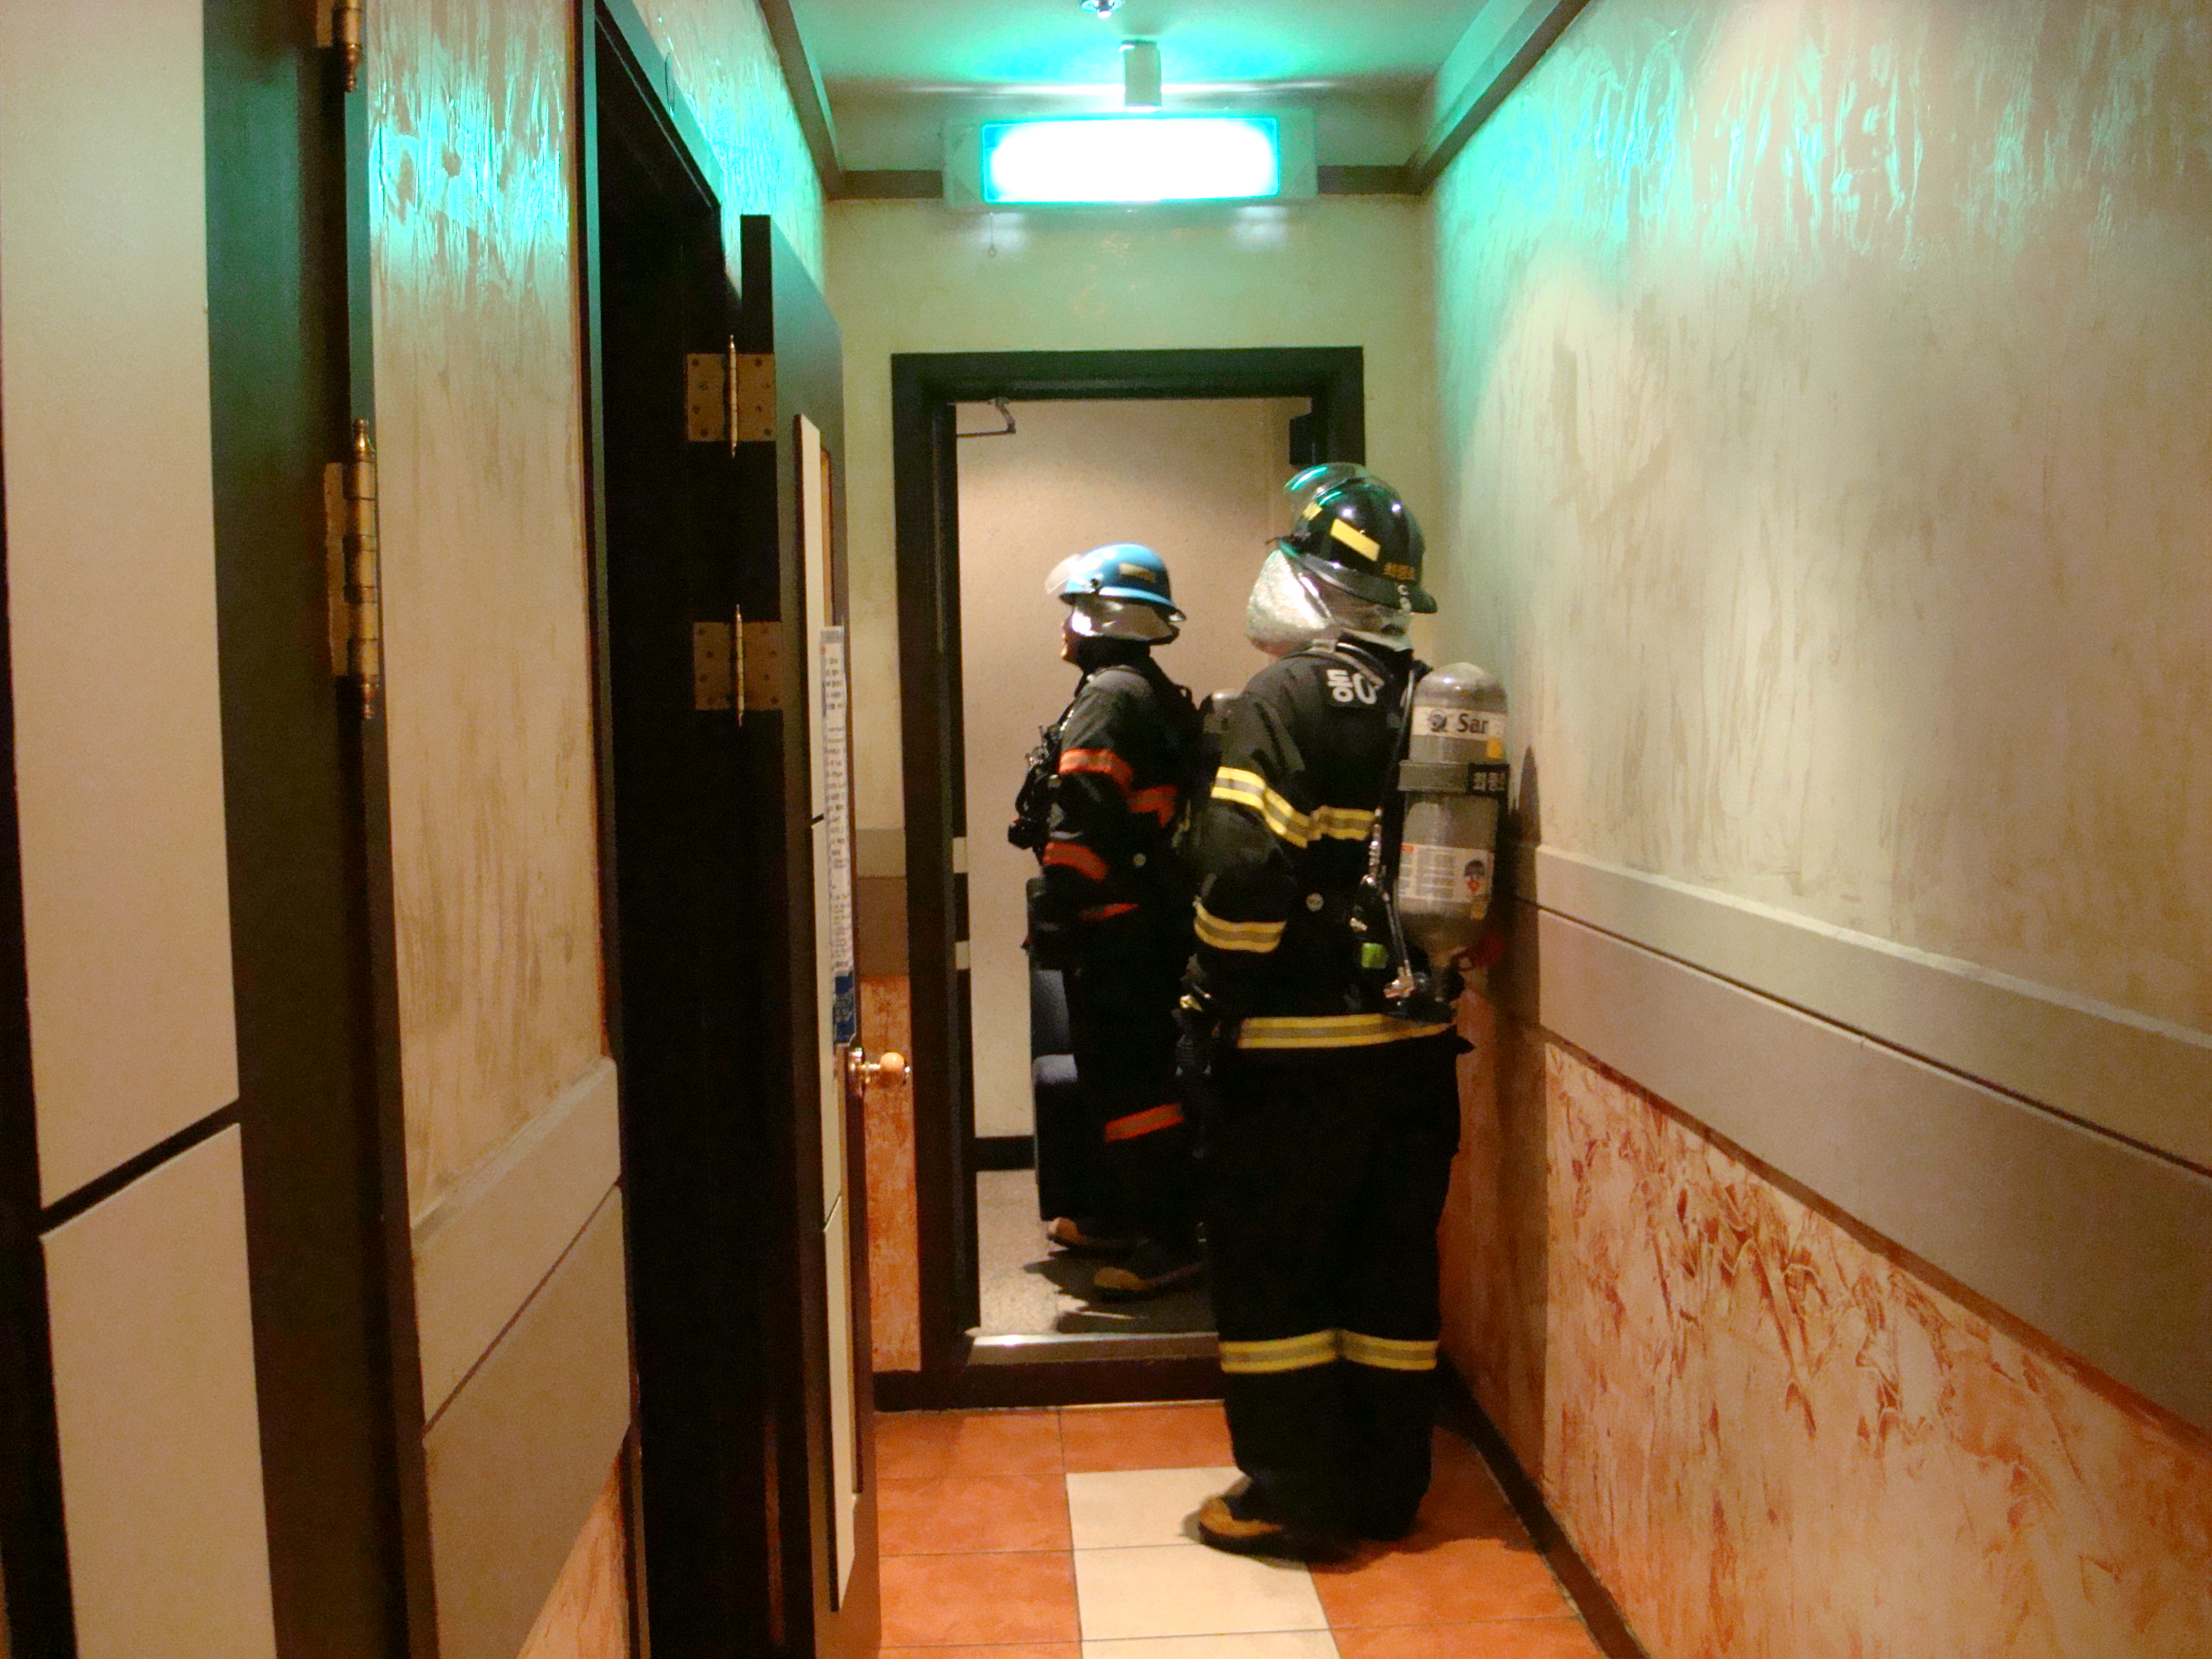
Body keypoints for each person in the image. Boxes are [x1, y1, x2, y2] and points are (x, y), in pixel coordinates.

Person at [1177, 466, 1476, 1559]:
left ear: (1308, 578)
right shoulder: (1431, 696)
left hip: (1291, 1064)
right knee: (1388, 1277)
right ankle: (1386, 1490)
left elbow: (1243, 873)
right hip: (1415, 1054)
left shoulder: (1284, 697)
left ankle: (1290, 1494)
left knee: (1277, 1282)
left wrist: (1213, 986)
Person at [1013, 543, 1203, 1301]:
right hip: (1143, 917)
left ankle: (1167, 1240)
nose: (1065, 626)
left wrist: (1063, 903)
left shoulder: (1110, 697)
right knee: (1122, 1074)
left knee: (1133, 1083)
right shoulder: (1143, 689)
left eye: (1075, 611)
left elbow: (1085, 812)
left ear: (1102, 616)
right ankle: (1123, 1218)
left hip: (1118, 925)